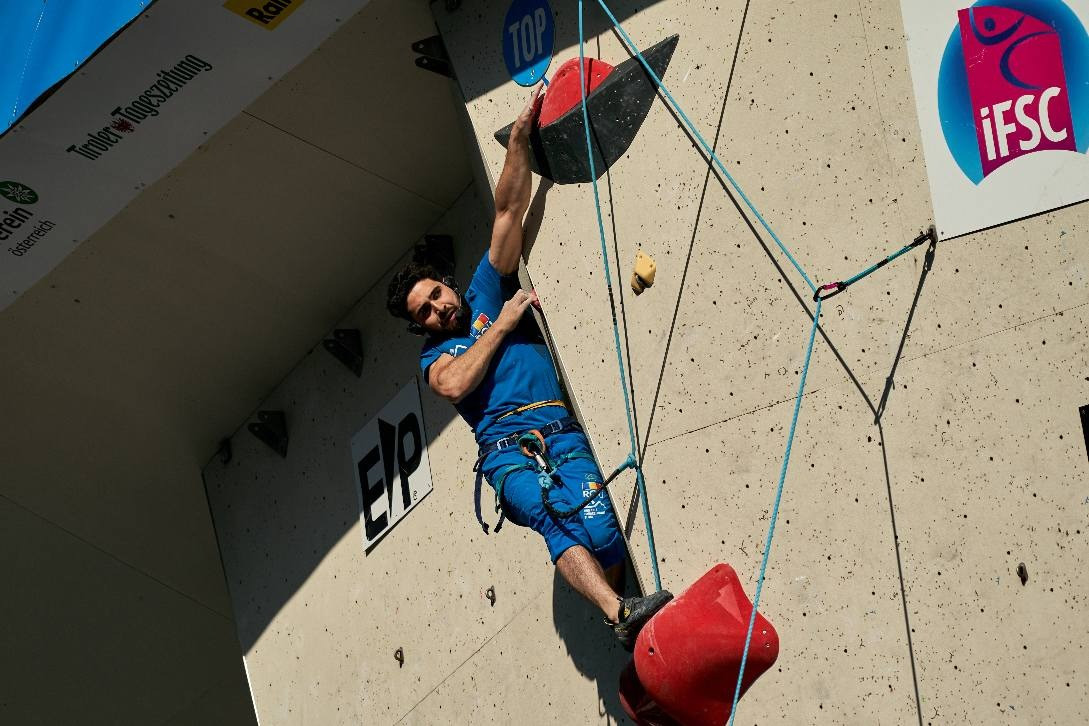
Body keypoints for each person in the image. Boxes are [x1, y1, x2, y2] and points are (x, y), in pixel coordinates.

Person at [385, 88, 671, 650]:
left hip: (561, 431)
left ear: (446, 284)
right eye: (426, 313)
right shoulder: (436, 358)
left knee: (604, 530)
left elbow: (507, 211)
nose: (439, 309)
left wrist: (519, 138)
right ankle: (618, 611)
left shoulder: (483, 289)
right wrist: (503, 322)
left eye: (436, 295)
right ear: (421, 327)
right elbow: (455, 384)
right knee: (553, 518)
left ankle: (625, 624)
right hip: (509, 451)